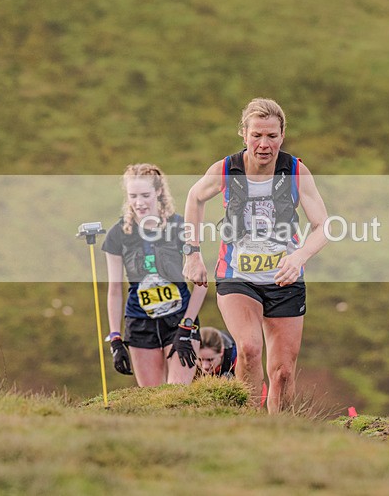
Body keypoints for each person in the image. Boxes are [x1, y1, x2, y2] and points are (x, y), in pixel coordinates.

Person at [183, 98, 328, 413]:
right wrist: (192, 253)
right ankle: (247, 422)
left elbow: (323, 226)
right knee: (249, 348)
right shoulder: (226, 169)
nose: (264, 144)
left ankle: (278, 431)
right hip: (237, 276)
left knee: (283, 372)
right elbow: (195, 196)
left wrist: (299, 257)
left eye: (272, 136)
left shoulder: (295, 171)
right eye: (257, 135)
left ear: (282, 135)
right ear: (244, 134)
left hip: (284, 279)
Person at [102, 163, 208, 387]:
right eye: (133, 196)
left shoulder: (180, 226)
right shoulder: (117, 234)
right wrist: (115, 338)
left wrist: (187, 325)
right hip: (140, 324)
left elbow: (201, 282)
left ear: (159, 191)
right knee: (152, 397)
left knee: (177, 394)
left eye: (145, 195)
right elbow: (114, 290)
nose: (139, 203)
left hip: (179, 319)